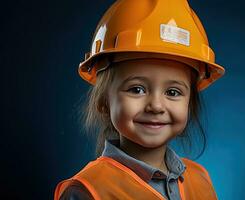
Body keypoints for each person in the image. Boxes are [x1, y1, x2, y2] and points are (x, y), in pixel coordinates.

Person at [54, 0, 225, 199]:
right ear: (103, 101)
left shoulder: (200, 179)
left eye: (173, 92)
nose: (156, 106)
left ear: (189, 104)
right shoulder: (88, 191)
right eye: (137, 89)